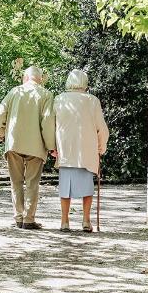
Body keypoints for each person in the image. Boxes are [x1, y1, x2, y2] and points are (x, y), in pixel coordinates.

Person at [0, 65, 56, 230]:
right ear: (40, 79)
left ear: (25, 78)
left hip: (14, 144)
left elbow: (1, 113)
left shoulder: (14, 92)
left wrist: (0, 132)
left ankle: (18, 217)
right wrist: (51, 146)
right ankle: (28, 219)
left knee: (16, 182)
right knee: (32, 183)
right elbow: (48, 122)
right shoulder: (46, 95)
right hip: (36, 146)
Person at [54, 69, 109, 232]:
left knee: (65, 188)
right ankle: (86, 220)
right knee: (87, 187)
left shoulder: (59, 99)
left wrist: (52, 147)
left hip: (66, 149)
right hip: (86, 150)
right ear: (85, 83)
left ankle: (64, 221)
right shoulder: (92, 101)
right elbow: (101, 128)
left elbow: (52, 124)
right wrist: (101, 146)